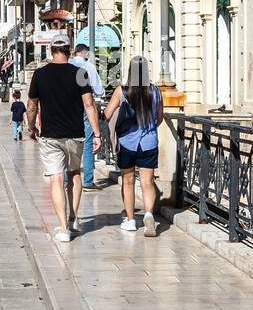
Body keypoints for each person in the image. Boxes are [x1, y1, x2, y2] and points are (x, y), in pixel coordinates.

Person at [26, 35, 102, 243]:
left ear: (51, 50)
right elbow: (89, 104)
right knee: (75, 173)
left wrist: (31, 127)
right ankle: (73, 217)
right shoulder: (79, 73)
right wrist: (96, 133)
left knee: (57, 179)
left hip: (50, 135)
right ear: (69, 51)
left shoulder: (40, 74)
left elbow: (32, 106)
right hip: (75, 133)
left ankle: (62, 228)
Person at [104, 55, 165, 237]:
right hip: (149, 142)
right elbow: (159, 118)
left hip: (127, 142)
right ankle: (148, 214)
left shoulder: (122, 91)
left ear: (130, 71)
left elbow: (107, 114)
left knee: (128, 182)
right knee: (148, 182)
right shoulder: (155, 91)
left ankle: (130, 220)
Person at [70, 42, 106, 189]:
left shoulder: (68, 66)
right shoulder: (89, 67)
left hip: (71, 107)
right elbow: (99, 90)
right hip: (86, 105)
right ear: (85, 53)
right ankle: (88, 181)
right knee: (88, 143)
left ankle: (67, 181)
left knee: (70, 142)